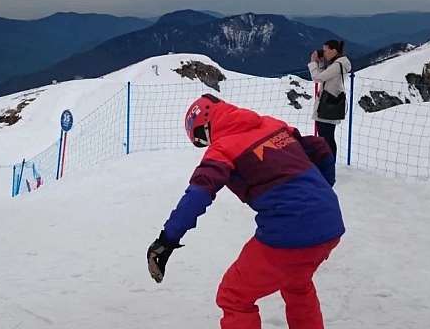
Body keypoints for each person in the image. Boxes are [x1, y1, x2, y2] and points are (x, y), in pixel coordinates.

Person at [146, 93, 345, 329]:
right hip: (330, 223)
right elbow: (320, 148)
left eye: (201, 139)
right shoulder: (272, 124)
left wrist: (167, 239)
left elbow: (198, 194)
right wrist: (319, 196)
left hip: (288, 233)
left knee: (233, 296)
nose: (205, 145)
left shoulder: (223, 148)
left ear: (205, 128)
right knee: (297, 284)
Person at [309, 39, 352, 160]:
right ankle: (328, 162)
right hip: (329, 103)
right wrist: (321, 63)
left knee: (326, 138)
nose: (324, 53)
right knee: (327, 137)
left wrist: (313, 63)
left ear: (333, 51)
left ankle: (328, 163)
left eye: (325, 51)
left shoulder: (337, 65)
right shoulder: (338, 64)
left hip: (328, 105)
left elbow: (317, 78)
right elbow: (325, 76)